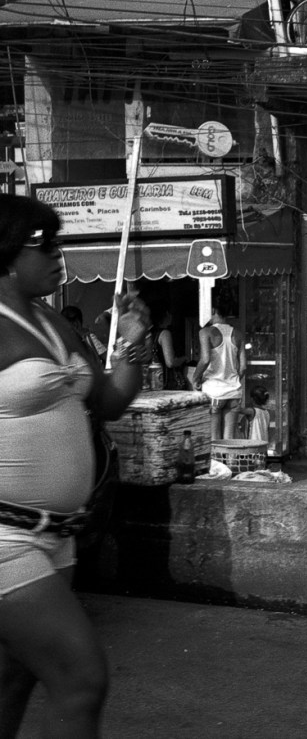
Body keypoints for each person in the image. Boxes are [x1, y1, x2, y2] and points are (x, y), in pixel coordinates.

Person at [0, 194, 150, 738]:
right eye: (45, 244)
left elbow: (107, 401)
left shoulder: (50, 321)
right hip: (4, 540)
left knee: (12, 680)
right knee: (81, 680)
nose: (59, 255)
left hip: (56, 537)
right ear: (6, 253)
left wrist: (134, 345)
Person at [193, 295, 247, 440]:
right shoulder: (238, 334)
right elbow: (243, 368)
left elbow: (205, 360)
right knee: (229, 439)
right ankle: (229, 463)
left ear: (213, 310)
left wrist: (195, 378)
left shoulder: (205, 333)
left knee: (214, 439)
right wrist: (232, 379)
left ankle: (216, 463)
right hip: (234, 393)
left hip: (214, 392)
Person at [150, 306, 188, 391]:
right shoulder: (164, 333)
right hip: (163, 383)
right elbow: (170, 362)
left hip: (152, 381)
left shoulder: (149, 334)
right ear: (167, 314)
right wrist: (184, 358)